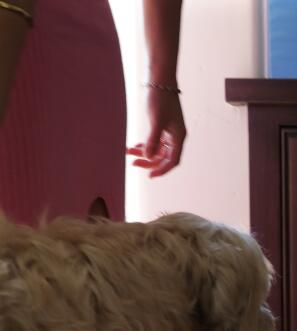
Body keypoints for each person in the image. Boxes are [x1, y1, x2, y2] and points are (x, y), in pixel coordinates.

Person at [0, 0, 186, 225]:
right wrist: (163, 81)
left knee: (60, 246)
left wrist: (163, 80)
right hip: (67, 40)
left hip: (46, 43)